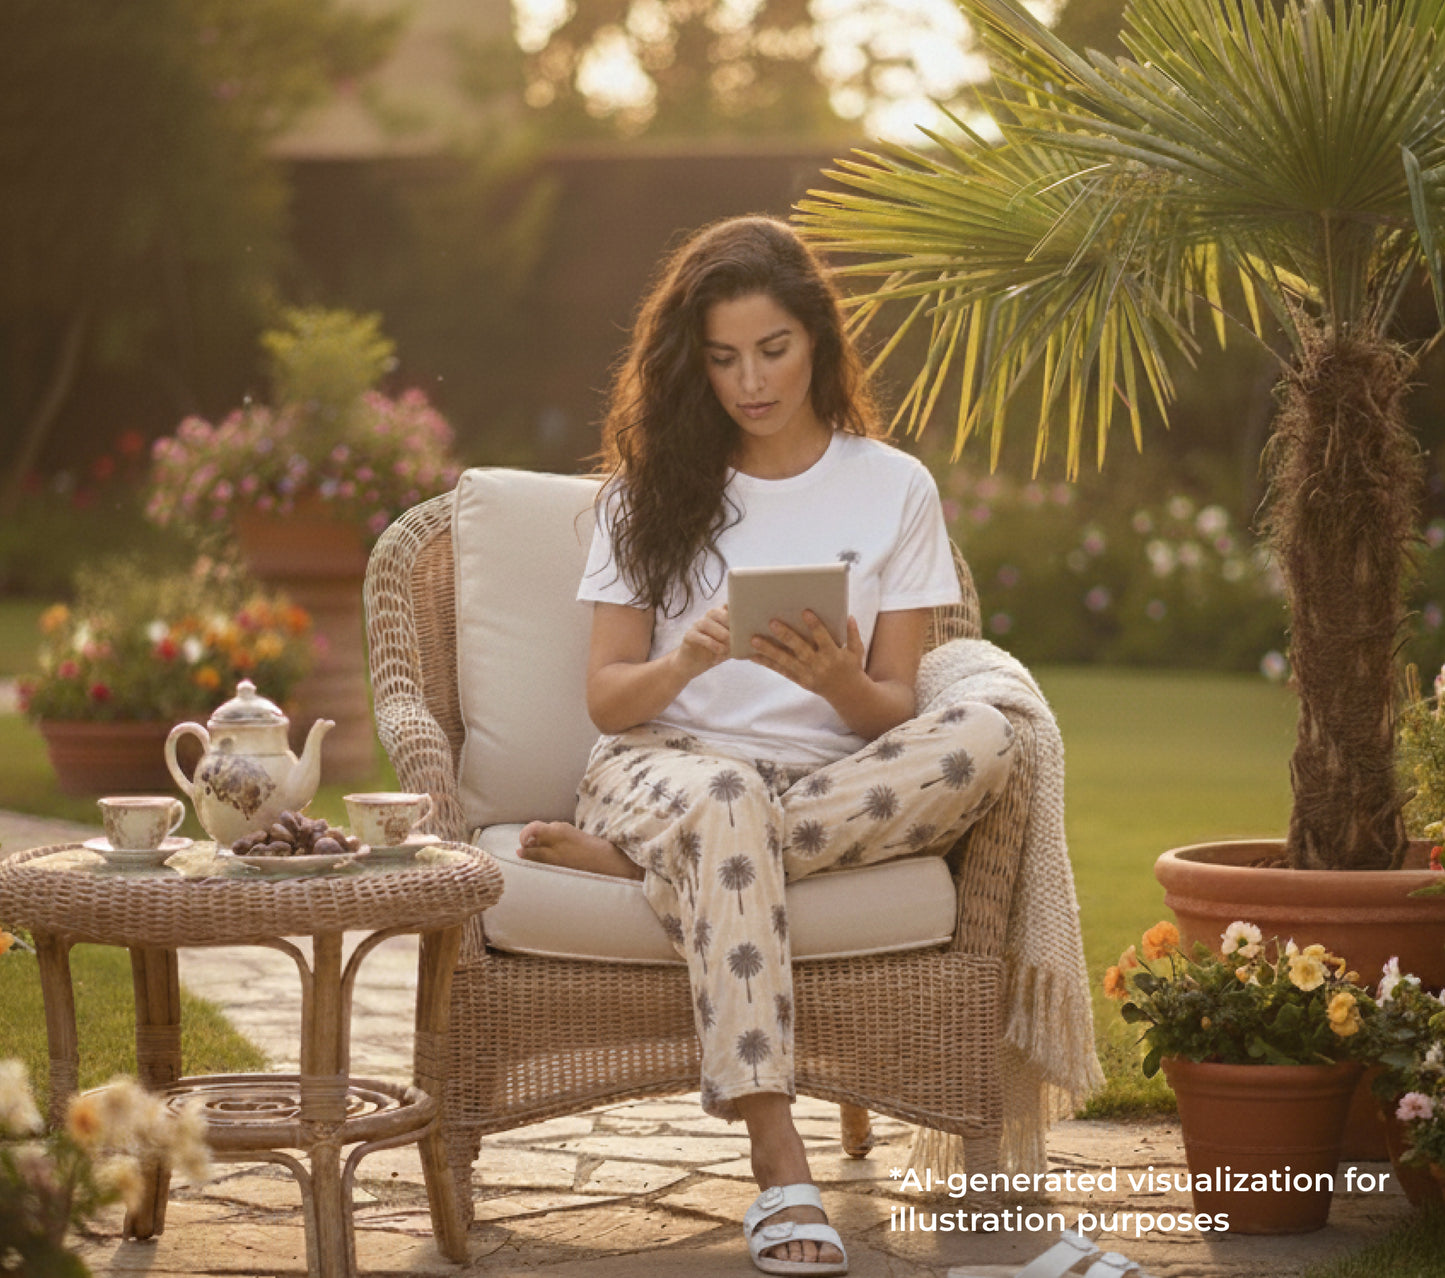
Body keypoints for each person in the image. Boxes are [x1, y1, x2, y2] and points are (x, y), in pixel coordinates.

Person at [517, 214, 1014, 1276]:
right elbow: (608, 700)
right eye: (724, 357)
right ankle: (777, 1160)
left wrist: (839, 681)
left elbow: (898, 712)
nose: (751, 380)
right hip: (665, 764)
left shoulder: (894, 487)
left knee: (982, 736)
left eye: (773, 350)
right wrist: (684, 662)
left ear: (818, 344)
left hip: (827, 779)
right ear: (691, 363)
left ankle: (671, 869)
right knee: (725, 799)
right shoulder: (646, 493)